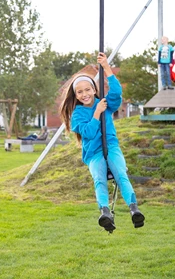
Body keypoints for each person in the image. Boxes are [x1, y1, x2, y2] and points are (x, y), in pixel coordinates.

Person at [60, 52, 145, 232]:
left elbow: (116, 93)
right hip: (93, 153)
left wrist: (106, 67)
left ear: (94, 89)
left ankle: (134, 209)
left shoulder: (105, 103)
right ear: (75, 96)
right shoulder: (77, 114)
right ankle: (105, 212)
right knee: (99, 179)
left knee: (121, 174)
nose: (84, 94)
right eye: (80, 92)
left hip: (111, 146)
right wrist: (97, 112)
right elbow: (89, 133)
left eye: (87, 89)